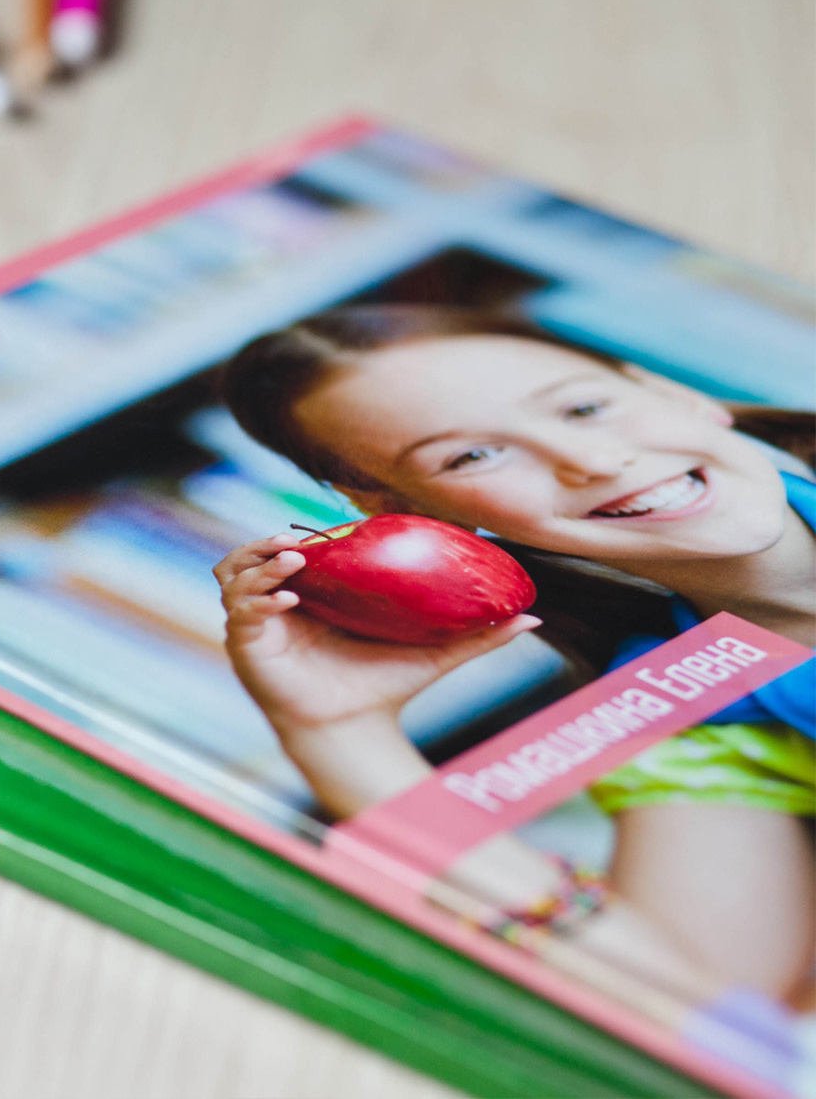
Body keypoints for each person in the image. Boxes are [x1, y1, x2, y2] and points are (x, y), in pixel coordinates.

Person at [212, 304, 815, 1013]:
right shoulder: (688, 705)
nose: (591, 461)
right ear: (419, 516)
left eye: (585, 407)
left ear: (673, 394)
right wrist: (341, 739)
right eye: (472, 456)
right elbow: (700, 1022)